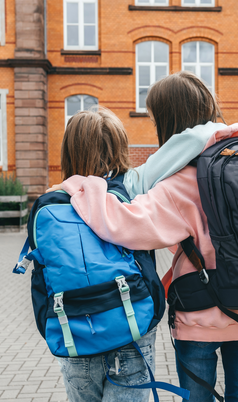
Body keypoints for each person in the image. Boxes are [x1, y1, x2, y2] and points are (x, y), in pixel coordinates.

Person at [49, 71, 238, 402]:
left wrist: (82, 188)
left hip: (201, 315)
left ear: (169, 122)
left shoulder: (183, 183)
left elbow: (124, 225)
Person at [50, 106, 159, 402]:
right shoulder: (131, 200)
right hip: (132, 327)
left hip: (74, 330)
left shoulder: (53, 204)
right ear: (119, 148)